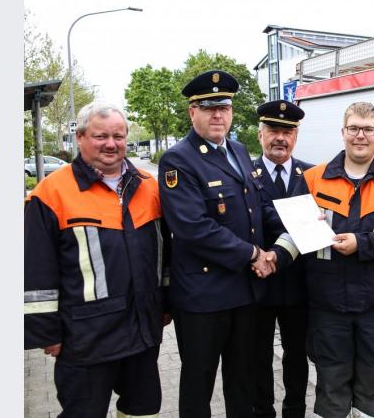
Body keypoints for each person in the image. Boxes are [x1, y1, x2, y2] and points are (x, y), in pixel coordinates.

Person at [24, 101, 169, 418]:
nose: (111, 144)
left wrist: (166, 304)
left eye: (118, 136)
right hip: (85, 338)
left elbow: (165, 253)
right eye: (101, 136)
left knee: (143, 410)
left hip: (143, 330)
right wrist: (46, 333)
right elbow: (36, 269)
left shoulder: (149, 186)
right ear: (80, 137)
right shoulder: (50, 194)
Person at [272, 102, 374, 418]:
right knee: (331, 388)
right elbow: (295, 232)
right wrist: (274, 256)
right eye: (354, 128)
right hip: (328, 308)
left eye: (367, 129)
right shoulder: (313, 178)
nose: (360, 136)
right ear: (343, 132)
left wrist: (361, 244)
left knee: (372, 388)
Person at [159, 70, 280, 418]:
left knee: (242, 381)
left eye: (223, 108)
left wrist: (298, 226)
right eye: (208, 108)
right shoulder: (178, 160)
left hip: (244, 292)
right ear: (192, 112)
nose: (217, 115)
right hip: (204, 296)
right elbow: (194, 227)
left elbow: (256, 208)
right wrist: (253, 254)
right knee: (198, 385)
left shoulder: (239, 150)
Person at [251, 100, 314, 418]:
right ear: (260, 134)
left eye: (287, 132)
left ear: (296, 136)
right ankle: (263, 411)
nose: (280, 137)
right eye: (273, 130)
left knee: (297, 355)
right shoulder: (244, 173)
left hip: (300, 282)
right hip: (259, 281)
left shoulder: (313, 174)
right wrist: (300, 220)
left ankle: (295, 411)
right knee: (258, 356)